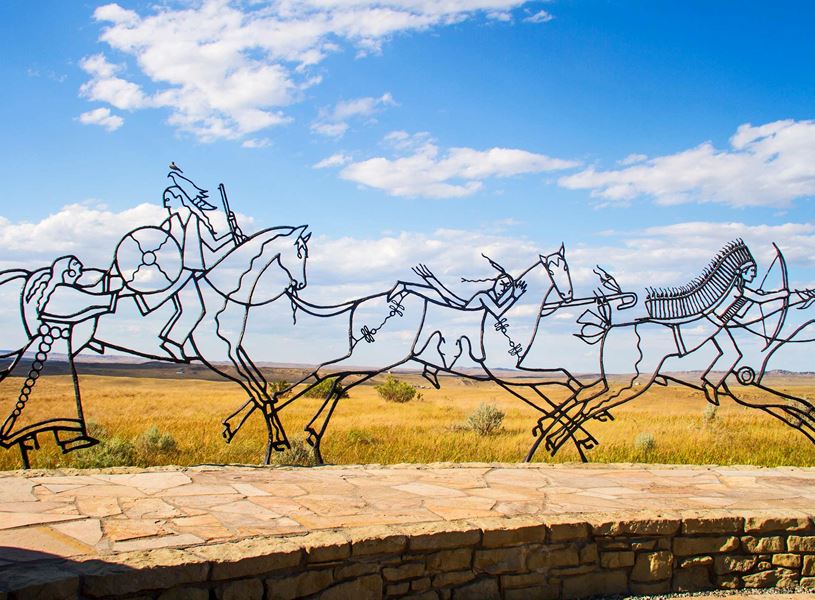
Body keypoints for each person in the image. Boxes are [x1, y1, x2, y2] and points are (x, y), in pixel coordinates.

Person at [645, 240, 788, 405]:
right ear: (742, 271)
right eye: (752, 271)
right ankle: (709, 383)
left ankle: (710, 383)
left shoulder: (740, 290)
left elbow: (740, 315)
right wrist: (783, 294)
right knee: (730, 353)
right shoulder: (738, 289)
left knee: (733, 353)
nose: (754, 275)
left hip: (718, 324)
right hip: (712, 324)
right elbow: (761, 298)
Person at [134, 167, 236, 360]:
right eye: (165, 202)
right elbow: (159, 244)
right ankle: (171, 341)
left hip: (188, 270)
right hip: (180, 271)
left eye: (169, 200)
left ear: (179, 199)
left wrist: (231, 234)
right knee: (193, 309)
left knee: (194, 309)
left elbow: (213, 246)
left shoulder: (193, 220)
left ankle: (172, 342)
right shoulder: (172, 222)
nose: (167, 205)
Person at [389, 254, 527, 319]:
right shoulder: (485, 296)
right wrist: (515, 295)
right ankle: (406, 287)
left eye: (507, 287)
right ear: (495, 284)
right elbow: (497, 312)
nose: (503, 288)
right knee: (441, 295)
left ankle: (407, 287)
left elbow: (498, 307)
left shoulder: (490, 298)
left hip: (459, 307)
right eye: (502, 284)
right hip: (459, 309)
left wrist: (434, 281)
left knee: (440, 294)